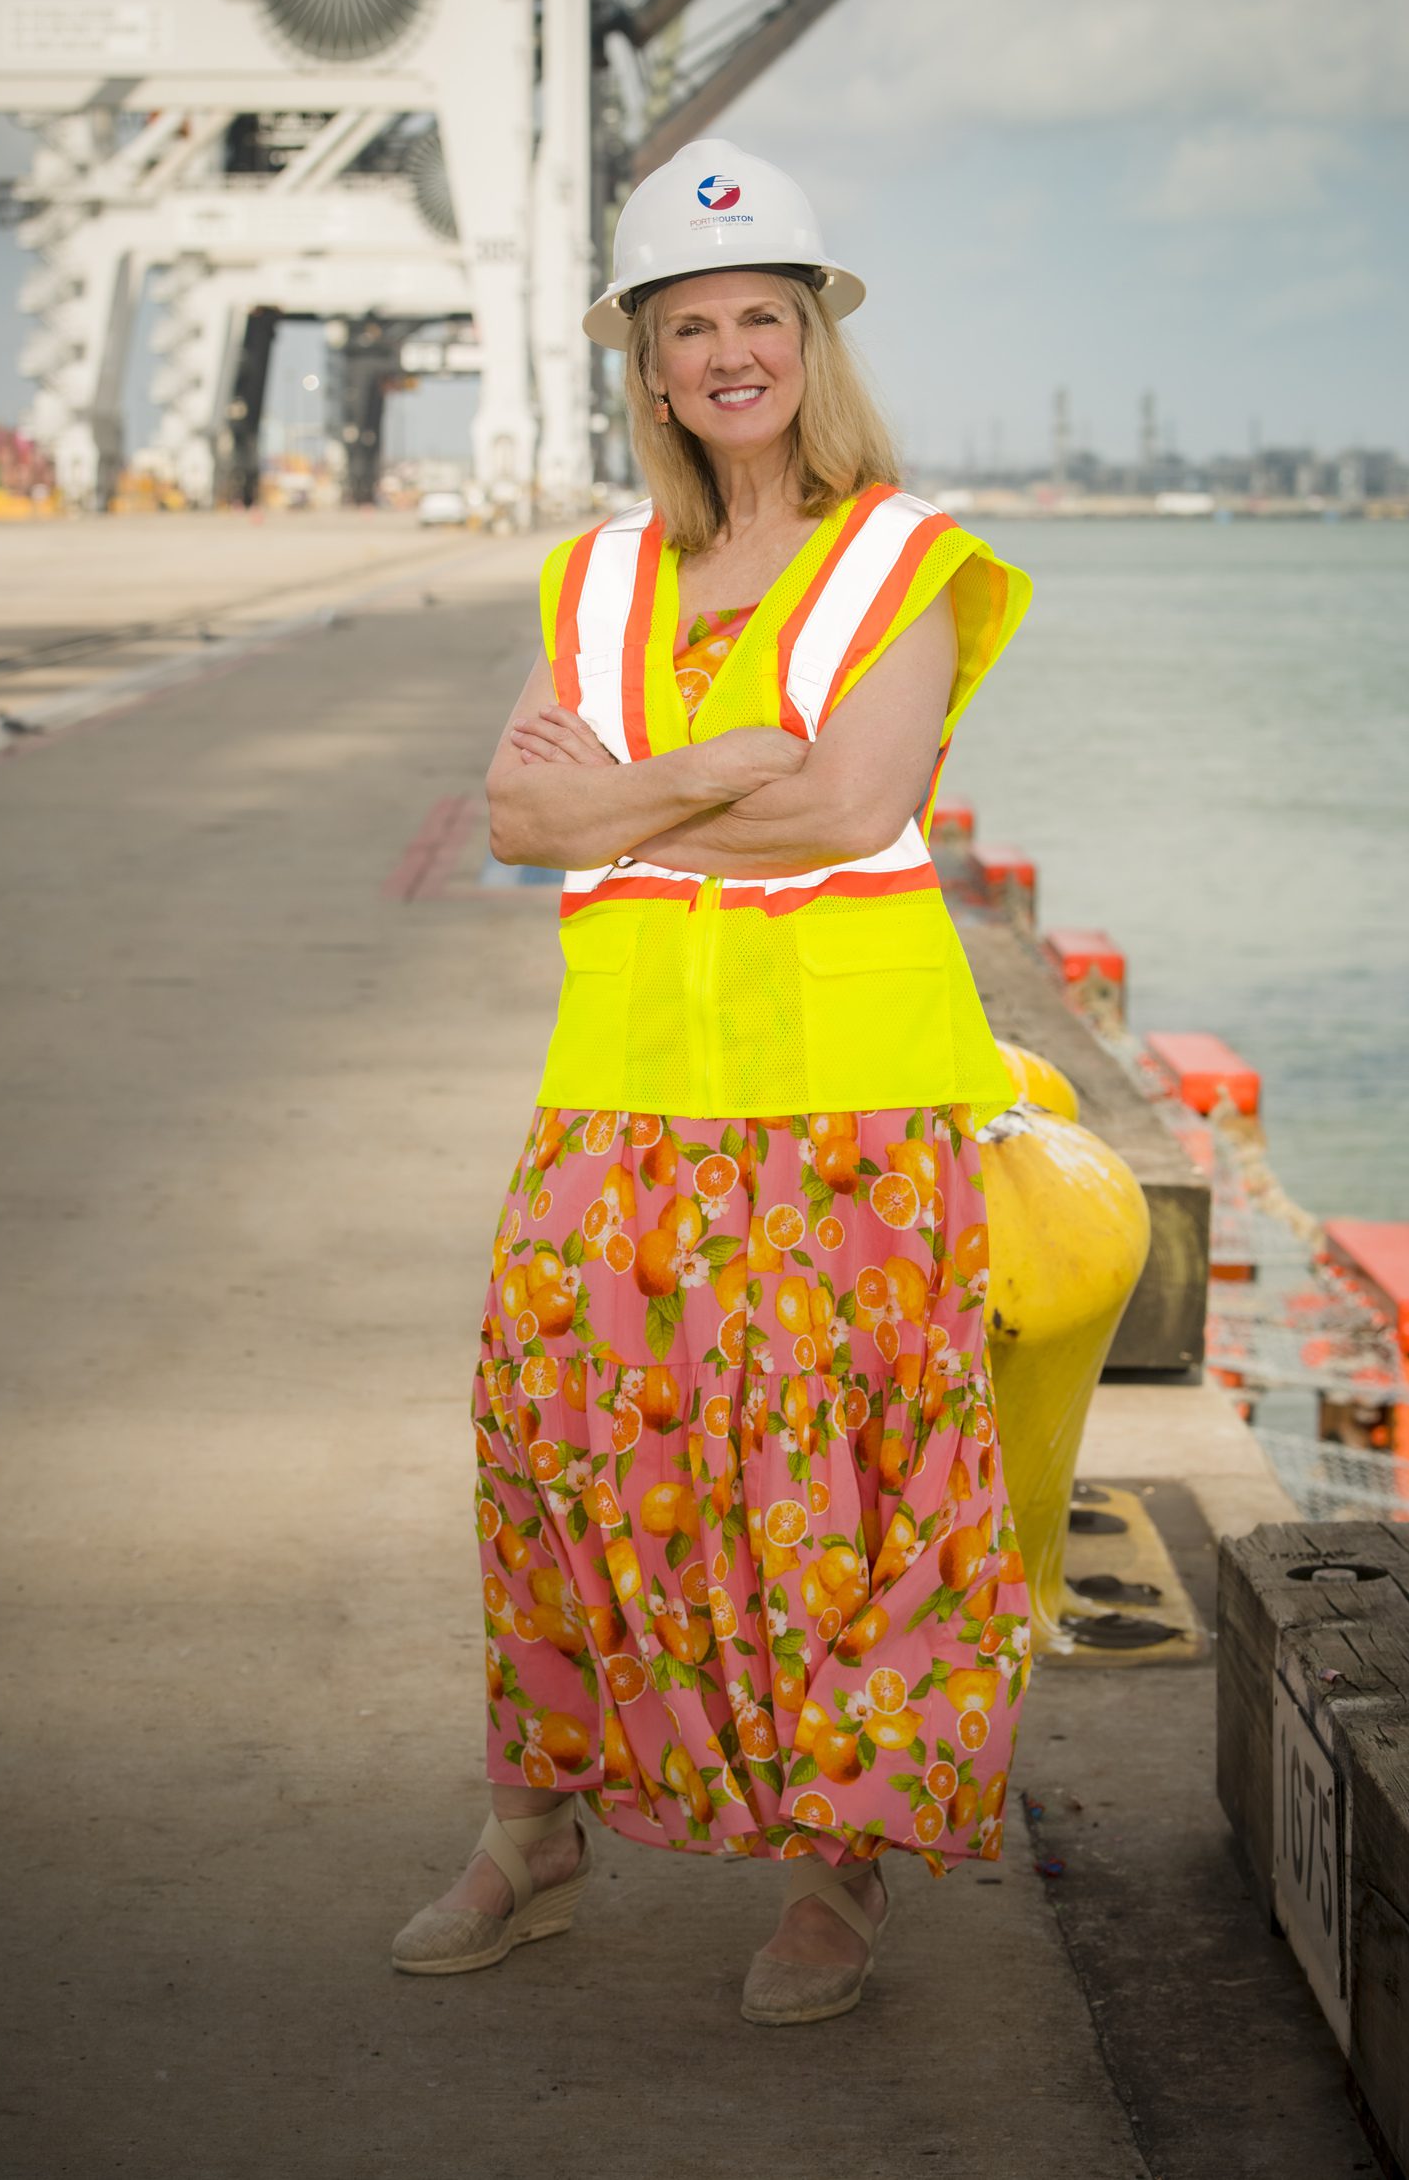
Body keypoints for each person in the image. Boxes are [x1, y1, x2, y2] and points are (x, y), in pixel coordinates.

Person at [392, 140, 1033, 2026]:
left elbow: (850, 806)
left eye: (765, 315)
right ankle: (535, 1832)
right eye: (693, 326)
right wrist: (707, 769)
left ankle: (840, 1868)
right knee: (553, 1444)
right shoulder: (594, 578)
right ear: (650, 367)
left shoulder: (906, 558)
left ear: (813, 343)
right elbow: (519, 823)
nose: (733, 351)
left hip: (850, 1097)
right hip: (623, 1085)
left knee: (843, 1477)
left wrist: (625, 799)